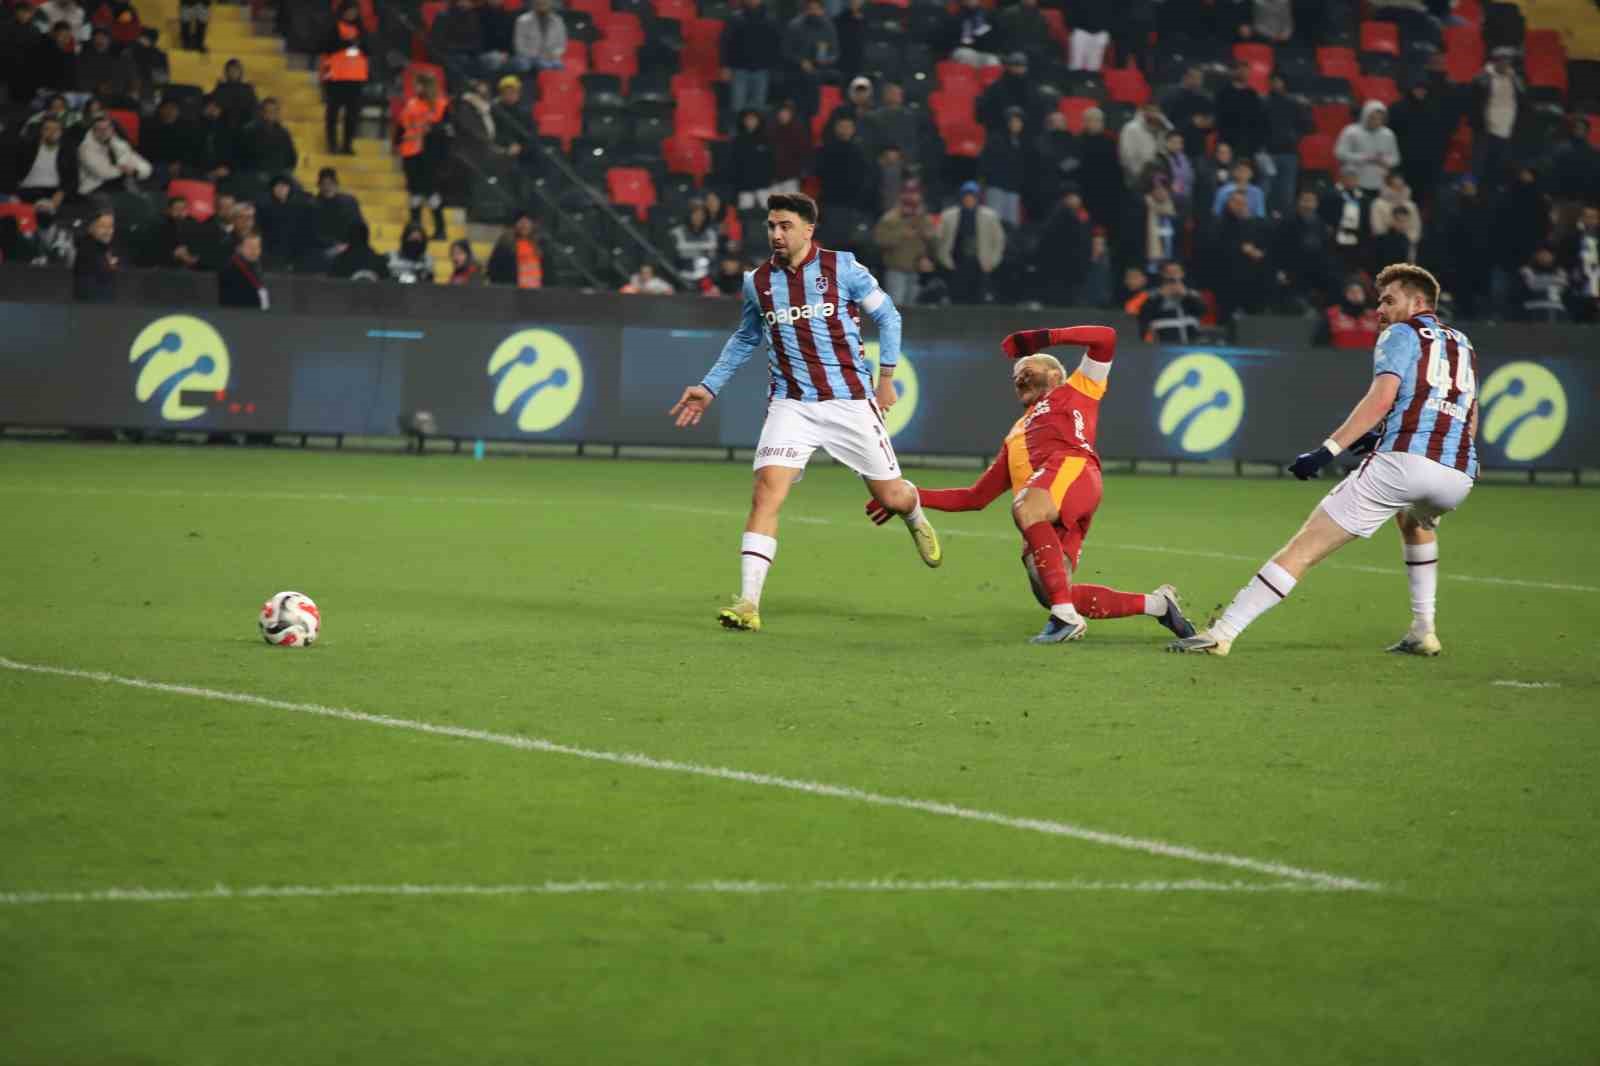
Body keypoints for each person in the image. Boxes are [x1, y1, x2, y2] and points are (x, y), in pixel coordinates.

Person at [1171, 263, 1478, 657]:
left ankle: (1223, 633)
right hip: (1458, 475)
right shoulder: (1463, 344)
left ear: (1419, 302)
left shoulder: (1401, 334)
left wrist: (1327, 450)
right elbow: (1466, 414)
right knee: (1413, 521)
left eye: (1389, 300)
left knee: (1305, 546)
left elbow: (1381, 398)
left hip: (1405, 466)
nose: (1380, 310)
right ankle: (1424, 629)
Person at [667, 191, 938, 632]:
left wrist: (886, 378)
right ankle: (749, 603)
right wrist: (709, 386)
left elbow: (889, 317)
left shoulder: (843, 268)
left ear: (809, 229)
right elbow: (746, 337)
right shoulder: (757, 281)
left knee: (891, 496)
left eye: (785, 226)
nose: (776, 234)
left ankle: (913, 512)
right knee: (766, 492)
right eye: (771, 226)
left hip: (850, 401)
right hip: (790, 404)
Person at [868, 325, 1193, 643]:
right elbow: (974, 497)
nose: (1019, 378)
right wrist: (907, 495)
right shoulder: (1015, 436)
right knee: (1050, 591)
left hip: (1073, 471)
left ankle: (1065, 619)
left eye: (1027, 370)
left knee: (1027, 508)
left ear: (1055, 375)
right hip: (1050, 500)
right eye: (1015, 377)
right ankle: (1158, 605)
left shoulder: (1079, 388)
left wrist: (1044, 338)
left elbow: (1105, 338)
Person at [936, 180, 1005, 304]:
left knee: (979, 297)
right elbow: (939, 240)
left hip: (980, 262)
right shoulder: (949, 216)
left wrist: (993, 261)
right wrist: (945, 259)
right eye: (966, 196)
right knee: (957, 297)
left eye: (972, 196)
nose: (969, 199)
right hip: (957, 261)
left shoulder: (990, 216)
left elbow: (999, 241)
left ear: (977, 198)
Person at [399, 72, 450, 239]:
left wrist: (433, 129)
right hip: (410, 153)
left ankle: (440, 229)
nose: (415, 88)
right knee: (414, 192)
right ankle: (416, 230)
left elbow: (447, 129)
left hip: (430, 154)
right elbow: (402, 127)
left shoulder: (441, 104)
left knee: (430, 192)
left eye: (418, 84)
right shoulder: (411, 104)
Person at [873, 183, 935, 308]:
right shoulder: (890, 218)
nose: (912, 197)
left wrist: (927, 257)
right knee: (897, 307)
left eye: (915, 193)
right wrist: (901, 234)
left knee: (913, 308)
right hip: (896, 269)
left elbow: (931, 242)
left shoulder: (924, 219)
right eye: (908, 193)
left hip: (916, 270)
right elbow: (880, 240)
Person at [320, 3, 369, 156]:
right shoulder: (334, 27)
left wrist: (360, 44)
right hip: (336, 77)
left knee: (352, 114)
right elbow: (326, 46)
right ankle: (332, 144)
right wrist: (347, 43)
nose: (351, 14)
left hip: (355, 78)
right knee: (333, 112)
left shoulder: (362, 30)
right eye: (349, 11)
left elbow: (369, 49)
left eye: (354, 12)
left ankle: (347, 144)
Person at [77, 113, 151, 195]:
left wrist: (135, 171)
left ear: (112, 129)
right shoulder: (85, 148)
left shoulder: (119, 143)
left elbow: (143, 165)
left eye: (107, 128)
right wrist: (124, 170)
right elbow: (104, 173)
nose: (104, 132)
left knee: (144, 196)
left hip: (120, 183)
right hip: (94, 187)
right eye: (99, 129)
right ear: (93, 130)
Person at [722, 0, 775, 114]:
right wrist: (725, 66)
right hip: (739, 70)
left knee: (758, 109)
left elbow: (774, 44)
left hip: (762, 70)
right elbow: (726, 43)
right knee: (737, 108)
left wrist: (772, 67)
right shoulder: (735, 18)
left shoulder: (770, 19)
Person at [1335, 101, 1400, 194]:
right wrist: (1364, 157)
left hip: (1380, 182)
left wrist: (1384, 161)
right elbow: (1339, 153)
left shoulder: (1388, 134)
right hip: (1354, 181)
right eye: (1373, 118)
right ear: (1365, 116)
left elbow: (1395, 159)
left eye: (1380, 119)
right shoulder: (1351, 131)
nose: (1377, 122)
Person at [1138, 260, 1205, 341]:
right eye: (1169, 272)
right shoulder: (1152, 295)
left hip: (1191, 344)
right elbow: (1144, 317)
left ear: (1182, 273)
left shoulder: (1192, 294)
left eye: (1176, 272)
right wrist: (1160, 296)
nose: (1172, 276)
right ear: (1162, 274)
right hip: (1163, 343)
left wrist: (1186, 295)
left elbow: (1201, 312)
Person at [1316, 278, 1381, 348]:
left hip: (1367, 354)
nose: (1355, 295)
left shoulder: (1376, 317)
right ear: (1344, 294)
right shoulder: (1331, 315)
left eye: (1359, 291)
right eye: (1351, 291)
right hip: (1339, 354)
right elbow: (1319, 344)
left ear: (1365, 294)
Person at [73, 207, 119, 301]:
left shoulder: (108, 248)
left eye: (111, 226)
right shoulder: (86, 251)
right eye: (103, 226)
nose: (108, 231)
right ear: (90, 228)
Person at [487, 210, 542, 287]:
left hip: (537, 290)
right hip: (513, 291)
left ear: (533, 224)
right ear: (514, 224)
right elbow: (493, 270)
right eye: (521, 221)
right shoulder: (505, 244)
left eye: (527, 222)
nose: (524, 225)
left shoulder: (541, 244)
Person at [218, 229, 269, 308]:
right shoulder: (230, 269)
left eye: (257, 247)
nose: (254, 251)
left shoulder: (258, 265)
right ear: (239, 248)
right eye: (249, 247)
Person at [511, 0, 565, 72]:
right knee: (526, 65)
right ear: (534, 4)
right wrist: (536, 56)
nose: (542, 5)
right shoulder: (522, 20)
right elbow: (519, 45)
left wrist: (554, 54)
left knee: (558, 66)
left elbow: (561, 44)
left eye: (544, 3)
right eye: (539, 3)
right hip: (527, 56)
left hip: (549, 57)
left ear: (550, 3)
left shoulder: (558, 21)